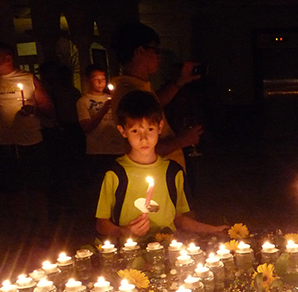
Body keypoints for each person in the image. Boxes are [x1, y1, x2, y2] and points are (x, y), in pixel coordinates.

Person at [95, 90, 227, 240]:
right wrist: (123, 231)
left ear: (160, 127)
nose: (143, 138)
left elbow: (179, 219)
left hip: (167, 247)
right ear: (123, 131)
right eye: (135, 131)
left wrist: (212, 230)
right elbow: (101, 223)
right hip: (130, 251)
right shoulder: (115, 174)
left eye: (150, 129)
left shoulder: (172, 171)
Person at [0, 42, 55, 227]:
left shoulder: (28, 79)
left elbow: (49, 108)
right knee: (10, 190)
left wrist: (33, 109)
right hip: (2, 143)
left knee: (37, 187)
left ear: (8, 58)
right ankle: (21, 229)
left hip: (30, 141)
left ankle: (43, 227)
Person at [109, 22, 204, 171]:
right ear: (140, 51)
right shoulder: (129, 92)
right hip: (158, 177)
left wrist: (180, 81)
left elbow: (155, 102)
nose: (159, 56)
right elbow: (142, 148)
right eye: (155, 50)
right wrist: (183, 140)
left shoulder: (137, 86)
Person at [77, 64, 123, 184]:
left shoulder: (113, 98)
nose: (100, 82)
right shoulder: (83, 101)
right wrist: (103, 110)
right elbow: (87, 127)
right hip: (98, 150)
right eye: (96, 79)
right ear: (88, 80)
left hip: (117, 147)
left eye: (103, 79)